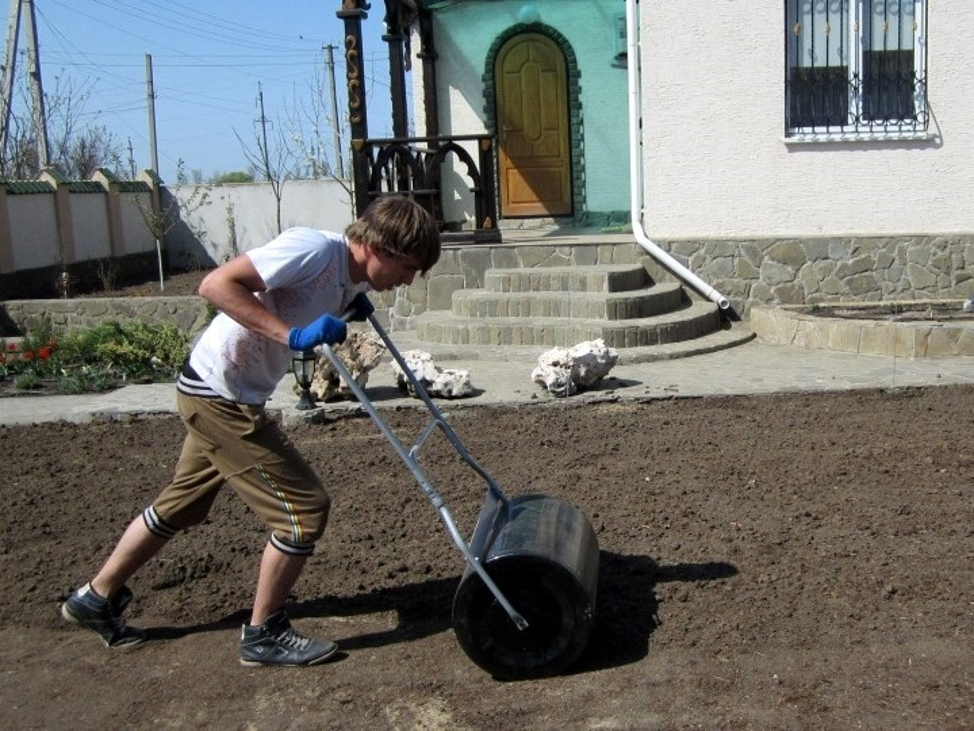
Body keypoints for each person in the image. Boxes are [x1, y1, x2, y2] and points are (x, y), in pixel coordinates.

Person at [61, 195, 441, 667]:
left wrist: (346, 301)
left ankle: (95, 598)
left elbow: (306, 297)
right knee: (304, 509)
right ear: (380, 246)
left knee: (182, 504)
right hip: (220, 395)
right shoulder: (314, 250)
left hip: (223, 390)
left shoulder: (348, 273)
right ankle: (264, 633)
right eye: (408, 267)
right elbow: (216, 285)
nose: (407, 280)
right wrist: (291, 335)